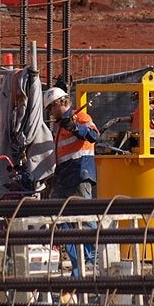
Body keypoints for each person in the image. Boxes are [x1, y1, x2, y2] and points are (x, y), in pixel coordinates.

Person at [43, 86, 99, 278]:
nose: (50, 112)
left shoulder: (80, 117)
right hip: (65, 176)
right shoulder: (60, 126)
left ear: (59, 104)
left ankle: (92, 260)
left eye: (51, 108)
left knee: (86, 217)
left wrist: (75, 127)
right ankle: (78, 263)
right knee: (59, 218)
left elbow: (93, 135)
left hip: (80, 172)